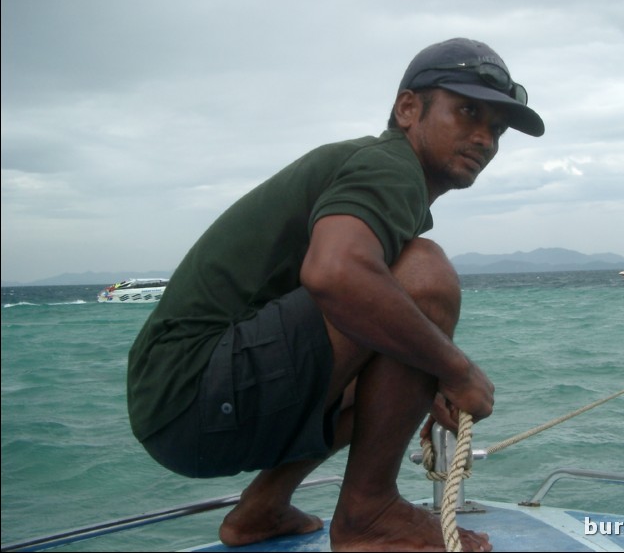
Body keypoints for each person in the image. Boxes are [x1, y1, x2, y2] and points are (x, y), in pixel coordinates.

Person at [127, 37, 544, 552]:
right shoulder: (388, 165)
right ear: (408, 108)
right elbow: (335, 273)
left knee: (396, 350)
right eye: (467, 112)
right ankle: (368, 514)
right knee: (424, 274)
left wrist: (425, 374)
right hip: (194, 390)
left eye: (497, 128)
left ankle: (261, 509)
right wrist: (455, 370)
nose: (484, 138)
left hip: (175, 411)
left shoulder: (386, 179)